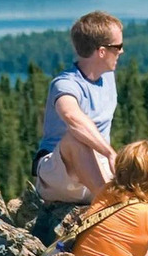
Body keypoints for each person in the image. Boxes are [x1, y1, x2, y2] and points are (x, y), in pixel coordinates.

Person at [33, 11, 126, 205]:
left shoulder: (107, 77)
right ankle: (109, 203)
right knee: (77, 137)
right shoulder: (66, 84)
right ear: (101, 51)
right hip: (60, 176)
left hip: (97, 170)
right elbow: (71, 116)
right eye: (118, 47)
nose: (122, 52)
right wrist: (109, 153)